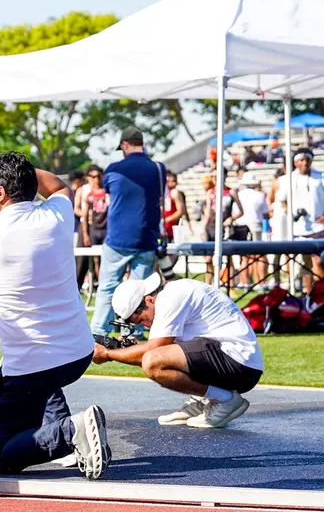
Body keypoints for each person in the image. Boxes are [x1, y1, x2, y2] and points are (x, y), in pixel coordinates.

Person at [0, 152, 109, 480]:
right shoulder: (56, 215)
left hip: (29, 369)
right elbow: (58, 186)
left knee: (5, 455)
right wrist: (20, 172)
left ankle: (71, 431)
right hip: (78, 355)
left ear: (0, 193)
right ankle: (64, 429)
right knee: (39, 371)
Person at [94, 272, 263, 428]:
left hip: (239, 363)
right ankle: (204, 398)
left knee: (152, 361)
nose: (145, 325)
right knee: (155, 357)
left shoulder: (170, 297)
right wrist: (128, 349)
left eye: (142, 319)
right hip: (237, 361)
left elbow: (153, 353)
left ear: (148, 300)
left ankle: (225, 400)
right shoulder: (172, 291)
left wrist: (108, 354)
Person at [90, 128, 163, 337]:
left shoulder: (113, 169)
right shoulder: (158, 168)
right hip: (147, 237)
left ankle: (98, 332)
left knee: (107, 288)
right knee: (141, 292)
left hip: (117, 238)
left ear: (124, 145)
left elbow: (111, 193)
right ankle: (133, 334)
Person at [275, 148, 324, 291]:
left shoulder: (320, 177)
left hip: (318, 227)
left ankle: (320, 293)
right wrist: (290, 211)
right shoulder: (288, 179)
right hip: (299, 228)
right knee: (304, 264)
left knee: (317, 261)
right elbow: (280, 198)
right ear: (295, 162)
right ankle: (308, 293)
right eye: (301, 160)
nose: (304, 163)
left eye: (307, 160)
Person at [202, 170, 244, 286]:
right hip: (211, 227)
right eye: (213, 175)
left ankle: (230, 285)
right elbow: (208, 212)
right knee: (208, 259)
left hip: (224, 228)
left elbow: (241, 211)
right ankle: (208, 284)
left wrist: (231, 219)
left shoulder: (230, 192)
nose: (215, 178)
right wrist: (203, 228)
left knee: (227, 257)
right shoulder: (210, 192)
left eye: (217, 175)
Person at [234, 173, 270, 290]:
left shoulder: (239, 195)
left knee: (245, 257)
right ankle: (261, 281)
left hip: (241, 226)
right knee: (260, 255)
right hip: (255, 225)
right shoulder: (260, 195)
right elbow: (265, 214)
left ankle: (245, 282)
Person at [77, 165, 108, 287]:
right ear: (88, 177)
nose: (97, 179)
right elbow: (76, 209)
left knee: (102, 259)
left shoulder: (105, 191)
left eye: (99, 176)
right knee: (83, 259)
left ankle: (99, 284)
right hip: (87, 226)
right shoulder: (83, 190)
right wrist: (88, 217)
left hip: (101, 226)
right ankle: (79, 285)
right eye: (93, 176)